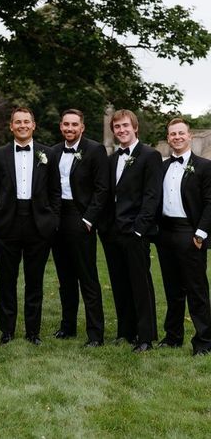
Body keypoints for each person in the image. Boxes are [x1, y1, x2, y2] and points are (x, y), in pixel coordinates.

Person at [0, 106, 61, 344]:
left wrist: (53, 220)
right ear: (11, 126)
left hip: (38, 225)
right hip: (7, 224)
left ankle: (33, 333)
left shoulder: (47, 154)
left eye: (26, 121)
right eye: (18, 122)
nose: (22, 125)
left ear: (33, 125)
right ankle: (7, 331)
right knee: (7, 280)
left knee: (34, 281)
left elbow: (55, 192)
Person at [99, 108, 162, 352]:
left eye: (126, 126)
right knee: (119, 283)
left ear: (135, 127)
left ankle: (145, 337)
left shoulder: (150, 155)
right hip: (113, 232)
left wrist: (139, 229)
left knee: (140, 284)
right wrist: (106, 228)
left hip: (136, 231)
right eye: (117, 127)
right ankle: (125, 331)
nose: (122, 130)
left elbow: (152, 196)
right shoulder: (113, 158)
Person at [47, 108, 109, 347]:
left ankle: (95, 334)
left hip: (80, 217)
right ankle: (68, 327)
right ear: (61, 126)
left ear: (82, 127)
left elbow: (102, 189)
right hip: (57, 217)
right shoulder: (52, 152)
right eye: (66, 124)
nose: (69, 128)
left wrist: (88, 219)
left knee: (88, 277)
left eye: (74, 125)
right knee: (65, 277)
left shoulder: (94, 150)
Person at [155, 117, 211, 355]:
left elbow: (210, 202)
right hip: (165, 233)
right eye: (172, 134)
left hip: (190, 233)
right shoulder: (164, 166)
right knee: (172, 289)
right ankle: (173, 336)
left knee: (196, 290)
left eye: (181, 133)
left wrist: (200, 233)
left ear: (189, 136)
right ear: (168, 138)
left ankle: (204, 342)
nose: (177, 137)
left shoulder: (204, 166)